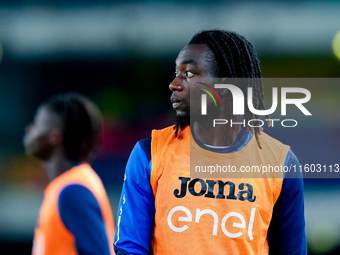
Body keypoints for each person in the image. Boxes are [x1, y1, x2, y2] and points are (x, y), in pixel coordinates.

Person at [113, 30, 307, 254]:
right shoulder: (149, 154)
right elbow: (130, 248)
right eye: (176, 73)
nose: (174, 84)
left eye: (189, 74)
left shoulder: (282, 164)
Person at [23, 92, 115, 255]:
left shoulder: (73, 190)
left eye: (37, 123)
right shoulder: (66, 186)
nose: (29, 129)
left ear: (55, 136)